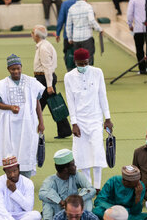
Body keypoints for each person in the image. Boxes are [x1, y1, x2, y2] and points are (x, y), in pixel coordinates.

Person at [64, 48, 113, 193]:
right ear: (75, 62)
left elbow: (102, 95)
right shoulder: (68, 77)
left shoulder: (97, 72)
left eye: (86, 63)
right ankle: (88, 186)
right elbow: (70, 101)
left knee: (97, 152)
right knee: (82, 154)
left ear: (89, 60)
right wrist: (73, 123)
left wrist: (107, 118)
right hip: (79, 121)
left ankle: (97, 186)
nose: (84, 66)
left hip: (96, 119)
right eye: (80, 63)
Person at [0, 54, 45, 178]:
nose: (16, 71)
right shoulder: (2, 85)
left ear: (21, 67)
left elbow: (37, 103)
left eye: (18, 68)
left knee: (27, 149)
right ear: (8, 69)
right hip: (10, 126)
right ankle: (13, 176)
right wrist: (10, 107)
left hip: (28, 124)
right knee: (11, 150)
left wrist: (41, 122)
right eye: (13, 69)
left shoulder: (31, 82)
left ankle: (25, 178)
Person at [32, 25, 72, 139]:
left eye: (32, 32)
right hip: (45, 79)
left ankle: (29, 129)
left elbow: (47, 67)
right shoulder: (45, 45)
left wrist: (49, 85)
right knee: (54, 105)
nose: (31, 35)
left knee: (36, 106)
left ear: (37, 35)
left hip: (44, 79)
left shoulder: (43, 48)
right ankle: (64, 130)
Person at [39, 149, 96, 220]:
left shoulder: (77, 175)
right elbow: (41, 194)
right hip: (58, 211)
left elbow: (92, 190)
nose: (75, 167)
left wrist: (76, 200)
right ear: (65, 169)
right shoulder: (50, 180)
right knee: (47, 200)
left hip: (76, 211)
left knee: (86, 194)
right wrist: (60, 202)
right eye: (73, 165)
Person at [66, 0, 103, 65]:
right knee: (88, 61)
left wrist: (70, 38)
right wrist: (99, 29)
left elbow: (68, 25)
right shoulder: (88, 7)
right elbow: (91, 21)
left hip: (76, 39)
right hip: (87, 38)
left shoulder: (71, 8)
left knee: (78, 61)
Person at [56, 0, 80, 71]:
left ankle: (70, 71)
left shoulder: (65, 4)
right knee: (80, 54)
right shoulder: (82, 3)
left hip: (68, 34)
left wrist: (58, 33)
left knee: (68, 54)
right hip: (80, 35)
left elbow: (60, 20)